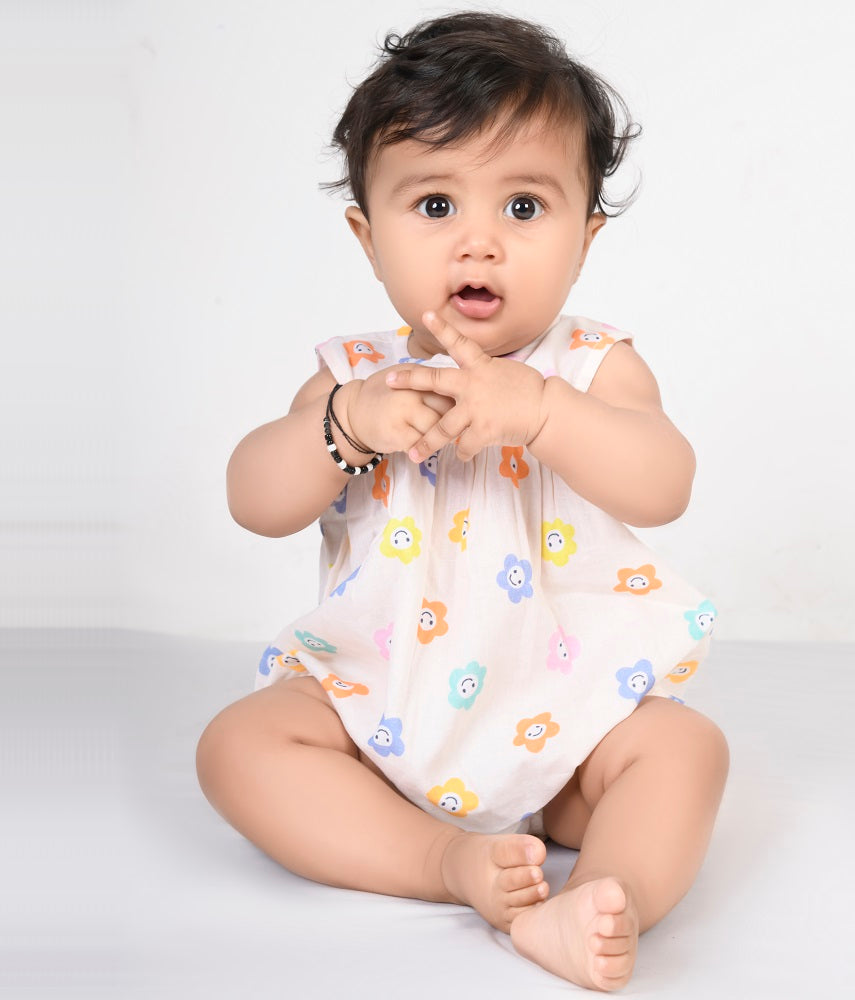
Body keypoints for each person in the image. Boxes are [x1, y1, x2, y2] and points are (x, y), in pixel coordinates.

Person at [196, 12, 728, 992]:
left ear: (585, 234)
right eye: (434, 205)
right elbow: (254, 498)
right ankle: (442, 861)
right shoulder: (354, 377)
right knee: (239, 746)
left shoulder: (591, 366)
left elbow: (666, 480)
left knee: (684, 749)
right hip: (380, 712)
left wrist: (543, 414)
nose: (478, 242)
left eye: (524, 208)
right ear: (367, 232)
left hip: (566, 722)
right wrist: (344, 428)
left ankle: (600, 895)